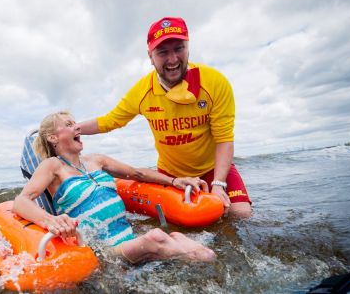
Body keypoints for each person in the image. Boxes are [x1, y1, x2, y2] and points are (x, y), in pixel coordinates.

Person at [77, 16, 252, 218]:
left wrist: (219, 184)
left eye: (178, 48)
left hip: (214, 169)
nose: (172, 59)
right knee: (178, 225)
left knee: (241, 215)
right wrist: (73, 130)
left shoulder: (214, 83)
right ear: (150, 56)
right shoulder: (142, 91)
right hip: (170, 174)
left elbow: (224, 138)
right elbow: (109, 121)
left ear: (188, 48)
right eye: (162, 52)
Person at [12, 111, 216, 263]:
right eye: (68, 124)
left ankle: (206, 264)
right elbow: (21, 201)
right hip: (104, 250)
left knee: (197, 249)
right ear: (53, 138)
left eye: (76, 124)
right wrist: (51, 220)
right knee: (157, 237)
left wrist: (175, 180)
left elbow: (137, 173)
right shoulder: (52, 166)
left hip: (129, 238)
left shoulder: (96, 160)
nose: (77, 128)